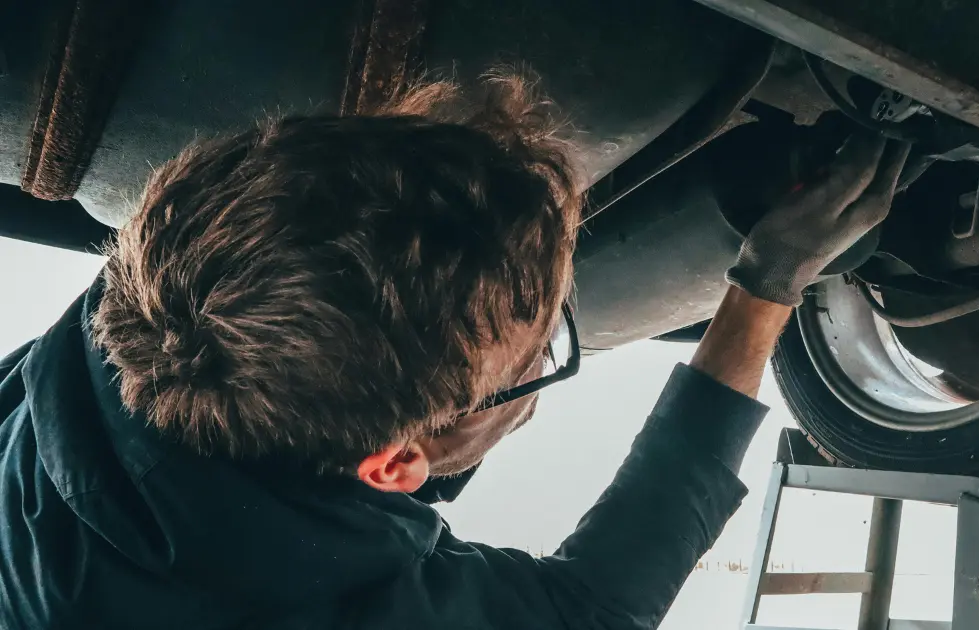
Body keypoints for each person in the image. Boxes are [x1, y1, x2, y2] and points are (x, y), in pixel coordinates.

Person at [0, 76, 908, 629]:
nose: (539, 383)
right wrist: (764, 288)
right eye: (537, 358)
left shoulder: (166, 285)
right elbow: (592, 610)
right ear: (395, 463)